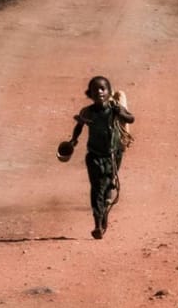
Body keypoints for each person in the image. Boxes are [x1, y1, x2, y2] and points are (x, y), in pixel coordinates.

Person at [65, 76, 135, 239]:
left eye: (103, 88)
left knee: (108, 185)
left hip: (114, 154)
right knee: (97, 188)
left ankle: (105, 215)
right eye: (95, 89)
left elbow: (131, 118)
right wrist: (73, 140)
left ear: (109, 92)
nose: (99, 91)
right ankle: (97, 224)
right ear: (90, 94)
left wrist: (121, 113)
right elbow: (79, 127)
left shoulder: (114, 108)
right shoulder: (87, 112)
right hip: (94, 155)